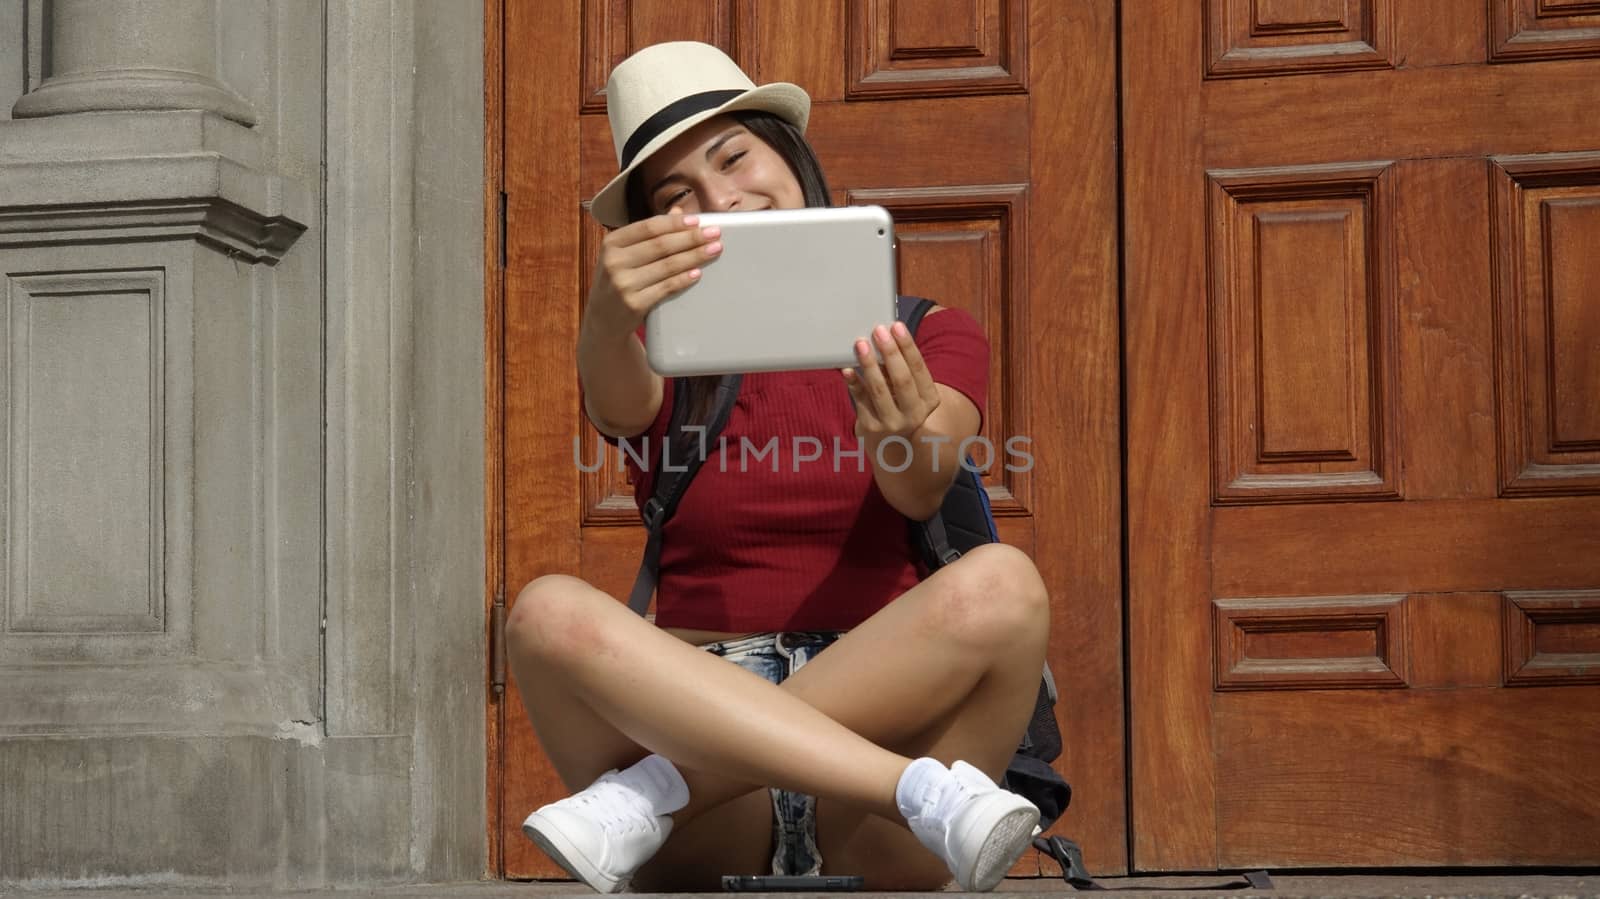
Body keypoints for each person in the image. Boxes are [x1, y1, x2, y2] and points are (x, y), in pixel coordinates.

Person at [507, 40, 1051, 893]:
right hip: (741, 770)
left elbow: (918, 484)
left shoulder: (929, 332)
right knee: (544, 614)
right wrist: (606, 320)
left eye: (735, 159)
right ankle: (918, 790)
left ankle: (648, 794)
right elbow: (614, 400)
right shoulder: (662, 357)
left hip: (880, 759)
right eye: (678, 196)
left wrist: (899, 426)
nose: (721, 200)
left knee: (1006, 583)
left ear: (792, 157)